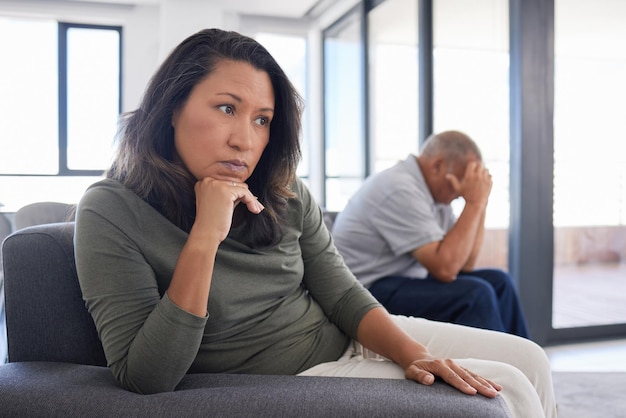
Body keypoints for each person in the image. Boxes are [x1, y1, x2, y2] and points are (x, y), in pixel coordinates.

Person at [73, 28, 555, 417]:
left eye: (262, 120)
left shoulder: (281, 190)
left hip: (346, 340)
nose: (245, 140)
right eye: (226, 109)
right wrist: (205, 236)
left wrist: (411, 354)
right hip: (291, 375)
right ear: (172, 108)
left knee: (530, 359)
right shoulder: (109, 210)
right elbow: (147, 377)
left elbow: (343, 294)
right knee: (505, 387)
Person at [332, 131, 530, 338]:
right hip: (363, 292)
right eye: (459, 184)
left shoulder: (436, 195)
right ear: (438, 166)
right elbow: (445, 269)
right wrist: (474, 202)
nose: (459, 192)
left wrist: (481, 203)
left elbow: (465, 264)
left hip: (401, 280)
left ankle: (524, 366)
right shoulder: (400, 188)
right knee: (475, 294)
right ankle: (494, 369)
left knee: (500, 281)